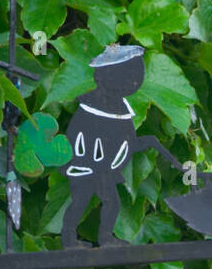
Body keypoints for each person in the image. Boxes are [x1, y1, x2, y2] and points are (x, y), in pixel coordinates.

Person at [61, 44, 182, 248]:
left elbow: (126, 142)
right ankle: (73, 238)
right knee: (83, 201)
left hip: (104, 168)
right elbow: (81, 139)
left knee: (105, 202)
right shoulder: (92, 109)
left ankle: (100, 238)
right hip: (89, 166)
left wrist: (173, 161)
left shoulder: (120, 110)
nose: (134, 81)